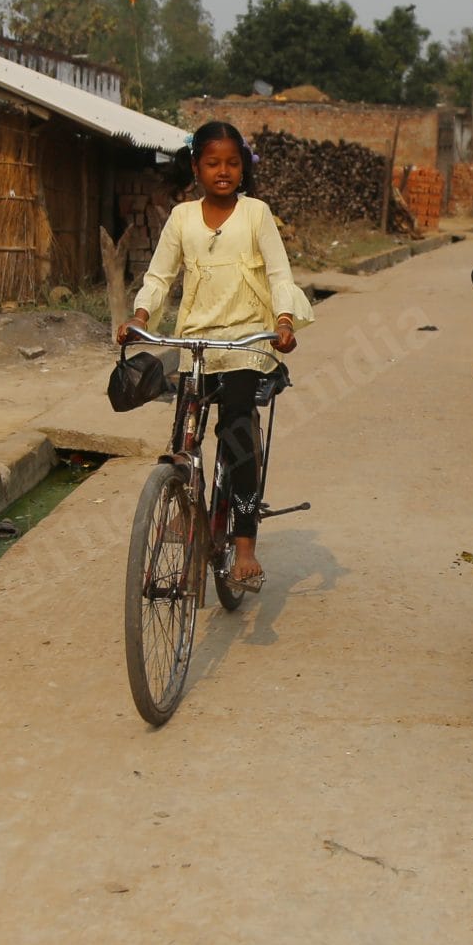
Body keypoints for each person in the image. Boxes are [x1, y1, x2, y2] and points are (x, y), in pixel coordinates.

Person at [118, 121, 300, 593]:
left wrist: (284, 321)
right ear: (196, 166)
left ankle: (244, 543)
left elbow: (281, 275)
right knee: (185, 432)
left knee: (237, 432)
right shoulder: (181, 218)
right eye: (213, 163)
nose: (223, 171)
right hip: (197, 341)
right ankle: (185, 505)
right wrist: (140, 314)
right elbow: (159, 277)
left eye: (232, 163)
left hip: (247, 344)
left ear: (243, 168)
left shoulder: (256, 214)